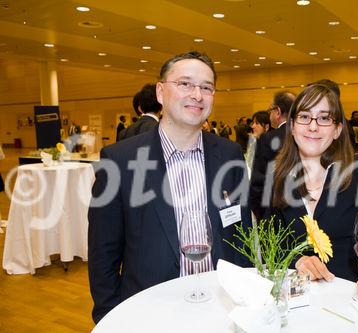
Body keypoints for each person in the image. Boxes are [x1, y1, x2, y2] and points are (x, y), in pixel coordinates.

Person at [88, 51, 252, 323]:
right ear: (161, 92)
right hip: (149, 311)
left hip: (220, 307)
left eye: (206, 87)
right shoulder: (120, 160)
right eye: (185, 84)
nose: (197, 95)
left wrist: (244, 302)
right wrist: (110, 317)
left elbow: (242, 236)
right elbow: (102, 254)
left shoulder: (230, 154)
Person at [268, 83, 358, 309]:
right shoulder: (280, 179)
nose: (313, 126)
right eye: (305, 117)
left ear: (337, 129)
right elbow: (273, 243)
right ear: (293, 126)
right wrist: (297, 260)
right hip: (306, 304)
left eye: (324, 118)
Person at [250, 91, 296, 220]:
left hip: (275, 211)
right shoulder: (304, 136)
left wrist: (259, 214)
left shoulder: (267, 139)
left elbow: (258, 182)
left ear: (278, 111)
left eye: (270, 110)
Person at [246, 111, 271, 176]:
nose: (252, 126)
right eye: (253, 123)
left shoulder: (271, 146)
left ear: (267, 127)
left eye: (257, 123)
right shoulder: (255, 142)